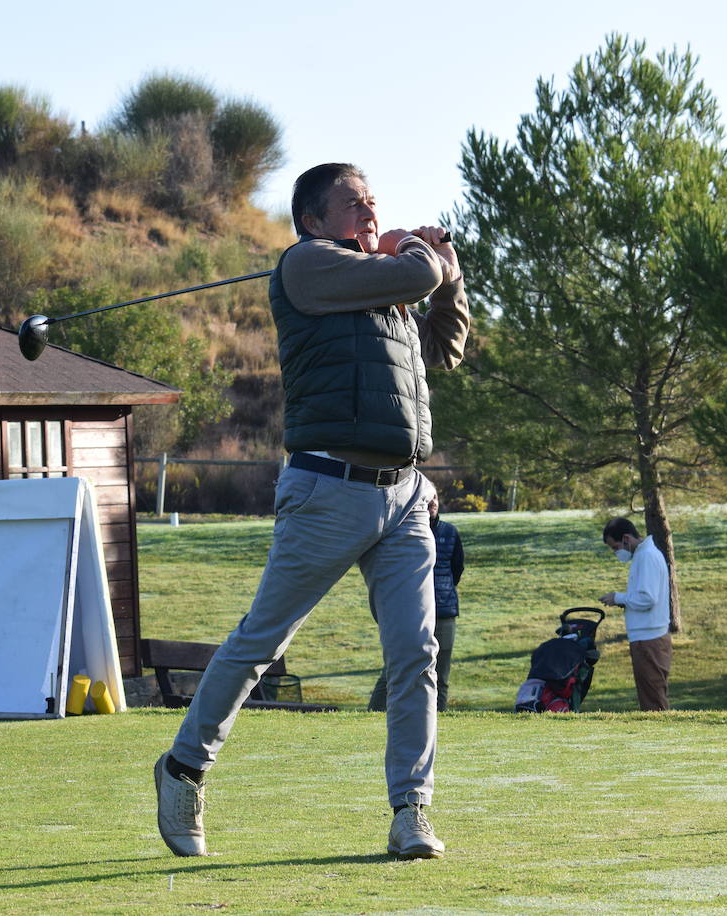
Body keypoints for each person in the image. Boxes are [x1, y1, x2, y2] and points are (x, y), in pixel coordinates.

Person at [154, 163, 469, 860]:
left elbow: (444, 352)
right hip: (328, 488)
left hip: (405, 496)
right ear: (314, 221)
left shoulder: (387, 291)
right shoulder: (307, 267)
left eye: (373, 204)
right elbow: (415, 276)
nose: (368, 214)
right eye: (354, 205)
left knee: (416, 651)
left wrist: (451, 274)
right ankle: (183, 768)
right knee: (262, 642)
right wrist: (422, 256)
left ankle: (410, 809)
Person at [369, 493, 464, 712]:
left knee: (441, 672)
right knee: (394, 668)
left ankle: (439, 717)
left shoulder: (450, 532)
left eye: (436, 498)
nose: (433, 503)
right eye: (427, 499)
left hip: (443, 612)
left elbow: (456, 569)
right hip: (410, 611)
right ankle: (373, 714)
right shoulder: (401, 530)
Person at [598, 516, 671, 711]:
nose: (616, 553)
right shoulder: (642, 555)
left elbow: (648, 598)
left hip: (649, 639)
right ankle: (656, 734)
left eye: (615, 547)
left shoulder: (647, 556)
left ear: (626, 538)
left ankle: (661, 735)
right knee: (649, 695)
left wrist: (619, 598)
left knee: (653, 699)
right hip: (645, 636)